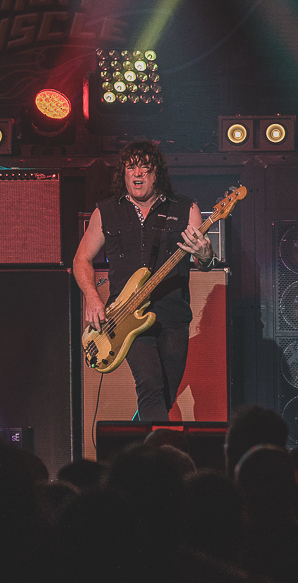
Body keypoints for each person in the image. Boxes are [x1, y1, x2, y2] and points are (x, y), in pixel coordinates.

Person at [73, 141, 214, 421]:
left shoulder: (185, 208)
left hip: (172, 317)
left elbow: (204, 262)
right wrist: (92, 297)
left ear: (156, 174)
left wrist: (206, 254)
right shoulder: (107, 212)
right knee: (149, 385)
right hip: (125, 319)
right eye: (131, 167)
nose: (138, 174)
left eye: (145, 168)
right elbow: (81, 260)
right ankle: (158, 460)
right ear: (123, 173)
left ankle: (137, 448)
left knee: (164, 396)